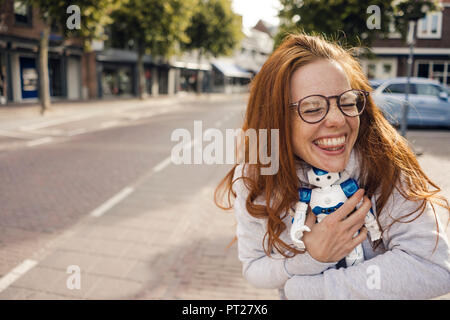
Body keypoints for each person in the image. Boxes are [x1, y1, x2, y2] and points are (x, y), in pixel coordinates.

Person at [214, 33, 450, 299]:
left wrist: (310, 290)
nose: (338, 119)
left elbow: (435, 267)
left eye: (347, 102)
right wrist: (311, 258)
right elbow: (255, 266)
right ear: (276, 119)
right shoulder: (255, 176)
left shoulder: (385, 161)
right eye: (313, 109)